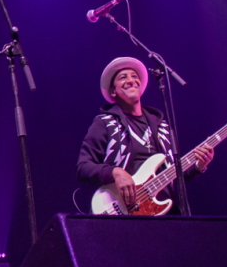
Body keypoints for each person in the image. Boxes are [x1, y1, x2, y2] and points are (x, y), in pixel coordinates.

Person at [77, 57, 213, 215]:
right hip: (122, 212)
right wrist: (115, 172)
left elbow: (173, 176)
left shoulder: (163, 127)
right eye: (123, 77)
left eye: (134, 76)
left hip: (164, 215)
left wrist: (198, 166)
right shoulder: (105, 123)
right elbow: (83, 167)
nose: (131, 80)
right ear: (113, 91)